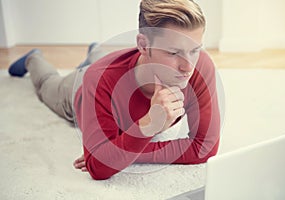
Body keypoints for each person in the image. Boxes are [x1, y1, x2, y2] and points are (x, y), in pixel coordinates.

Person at [8, 0, 220, 180]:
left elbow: (205, 149)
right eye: (173, 53)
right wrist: (148, 125)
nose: (188, 66)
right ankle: (32, 58)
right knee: (47, 84)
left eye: (194, 50)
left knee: (99, 61)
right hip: (80, 90)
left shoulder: (200, 66)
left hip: (115, 65)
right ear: (143, 45)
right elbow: (98, 169)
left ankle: (95, 51)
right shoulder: (98, 80)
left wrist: (117, 152)